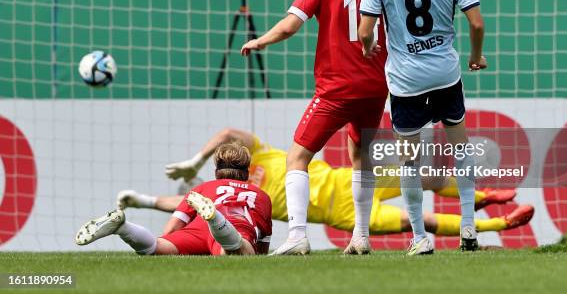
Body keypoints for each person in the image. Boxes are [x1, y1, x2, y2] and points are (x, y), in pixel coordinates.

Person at [241, 0, 388, 255]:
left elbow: (290, 26)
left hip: (336, 89)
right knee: (361, 155)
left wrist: (260, 40)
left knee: (297, 157)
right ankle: (361, 235)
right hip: (375, 86)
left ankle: (297, 235)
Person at [118, 128, 535, 238]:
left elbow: (230, 131)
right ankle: (502, 224)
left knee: (420, 173)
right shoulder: (234, 194)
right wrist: (142, 200)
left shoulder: (260, 153)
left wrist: (196, 158)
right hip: (342, 212)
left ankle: (483, 198)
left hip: (344, 180)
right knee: (417, 222)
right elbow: (186, 204)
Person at [358, 0, 487, 255]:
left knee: (409, 160)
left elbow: (365, 32)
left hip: (406, 81)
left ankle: (419, 238)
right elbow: (476, 24)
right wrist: (475, 57)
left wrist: (370, 48)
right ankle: (469, 226)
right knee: (461, 147)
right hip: (446, 73)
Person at [75, 143, 273, 256]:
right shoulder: (262, 196)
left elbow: (172, 228)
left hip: (197, 231)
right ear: (247, 172)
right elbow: (263, 241)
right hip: (236, 224)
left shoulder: (202, 188)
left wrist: (168, 241)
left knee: (156, 248)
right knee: (240, 253)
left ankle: (122, 227)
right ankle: (217, 220)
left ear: (216, 171)